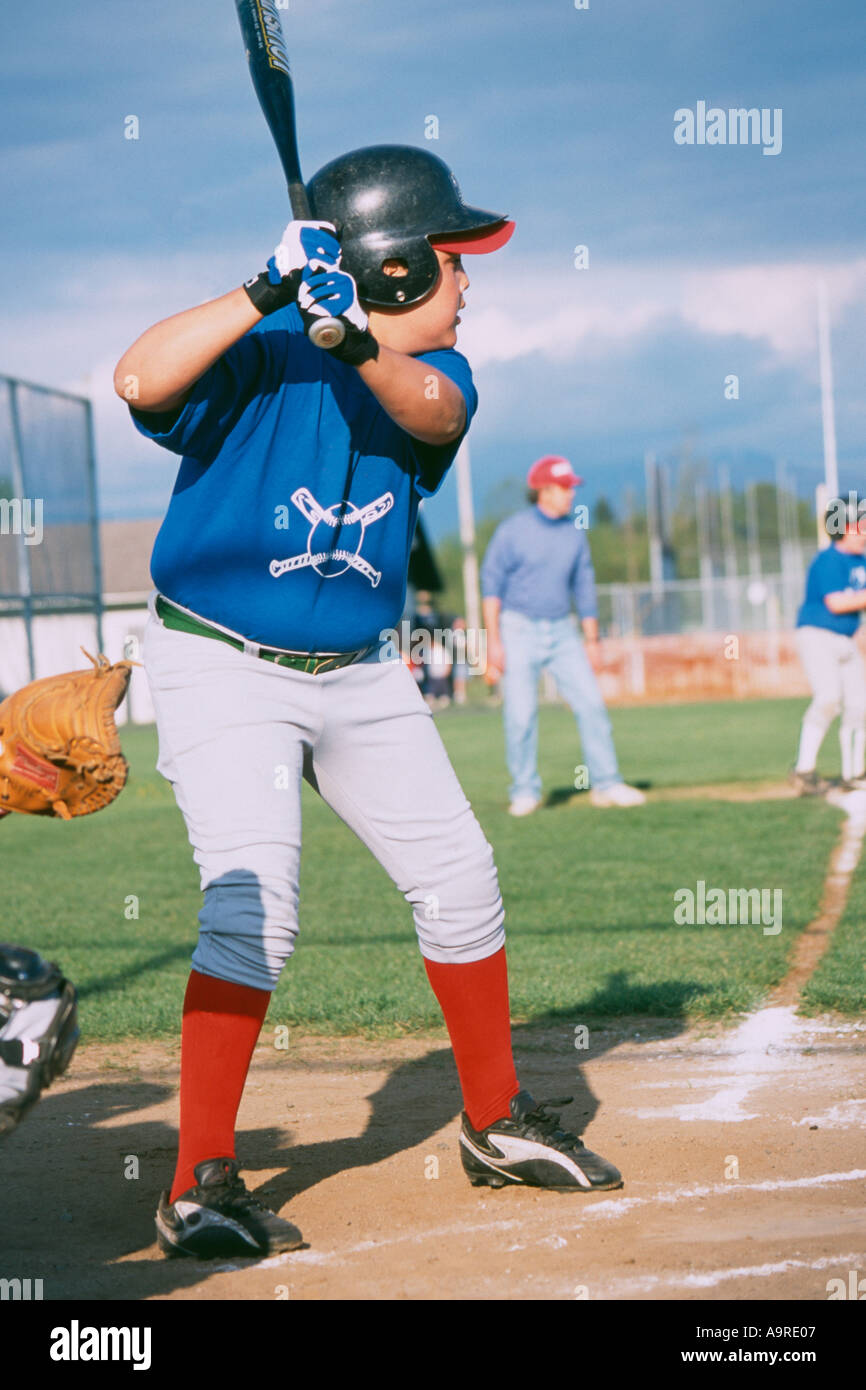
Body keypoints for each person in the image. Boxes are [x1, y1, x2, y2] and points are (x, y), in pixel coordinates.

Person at [114, 145, 623, 1260]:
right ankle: (198, 1178)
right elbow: (138, 380)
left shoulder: (445, 370)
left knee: (459, 878)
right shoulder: (259, 353)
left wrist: (351, 339)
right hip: (218, 661)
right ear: (393, 268)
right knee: (255, 904)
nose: (467, 280)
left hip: (357, 668)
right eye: (448, 259)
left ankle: (493, 1122)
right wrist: (262, 291)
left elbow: (428, 411)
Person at [481, 455, 645, 815]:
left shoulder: (574, 534)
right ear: (542, 490)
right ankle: (524, 790)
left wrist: (592, 640)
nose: (571, 493)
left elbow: (584, 589)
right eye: (564, 487)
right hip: (518, 628)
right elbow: (490, 587)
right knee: (521, 714)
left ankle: (606, 784)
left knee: (591, 704)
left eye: (571, 487)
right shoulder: (512, 531)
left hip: (562, 630)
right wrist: (493, 641)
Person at [791, 507, 866, 794]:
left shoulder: (861, 561)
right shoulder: (828, 560)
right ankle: (804, 770)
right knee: (828, 698)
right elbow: (836, 603)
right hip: (818, 636)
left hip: (846, 639)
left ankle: (854, 772)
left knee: (859, 704)